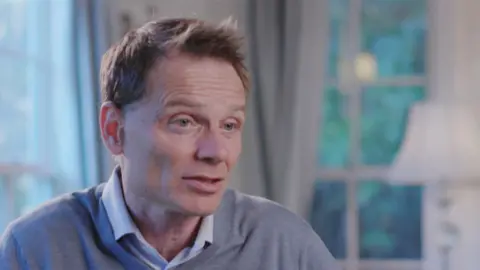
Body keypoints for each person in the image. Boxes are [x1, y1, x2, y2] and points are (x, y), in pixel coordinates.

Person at [0, 18, 339, 270]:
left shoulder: (285, 245)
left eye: (230, 125)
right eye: (184, 122)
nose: (216, 152)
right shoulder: (32, 249)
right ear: (114, 130)